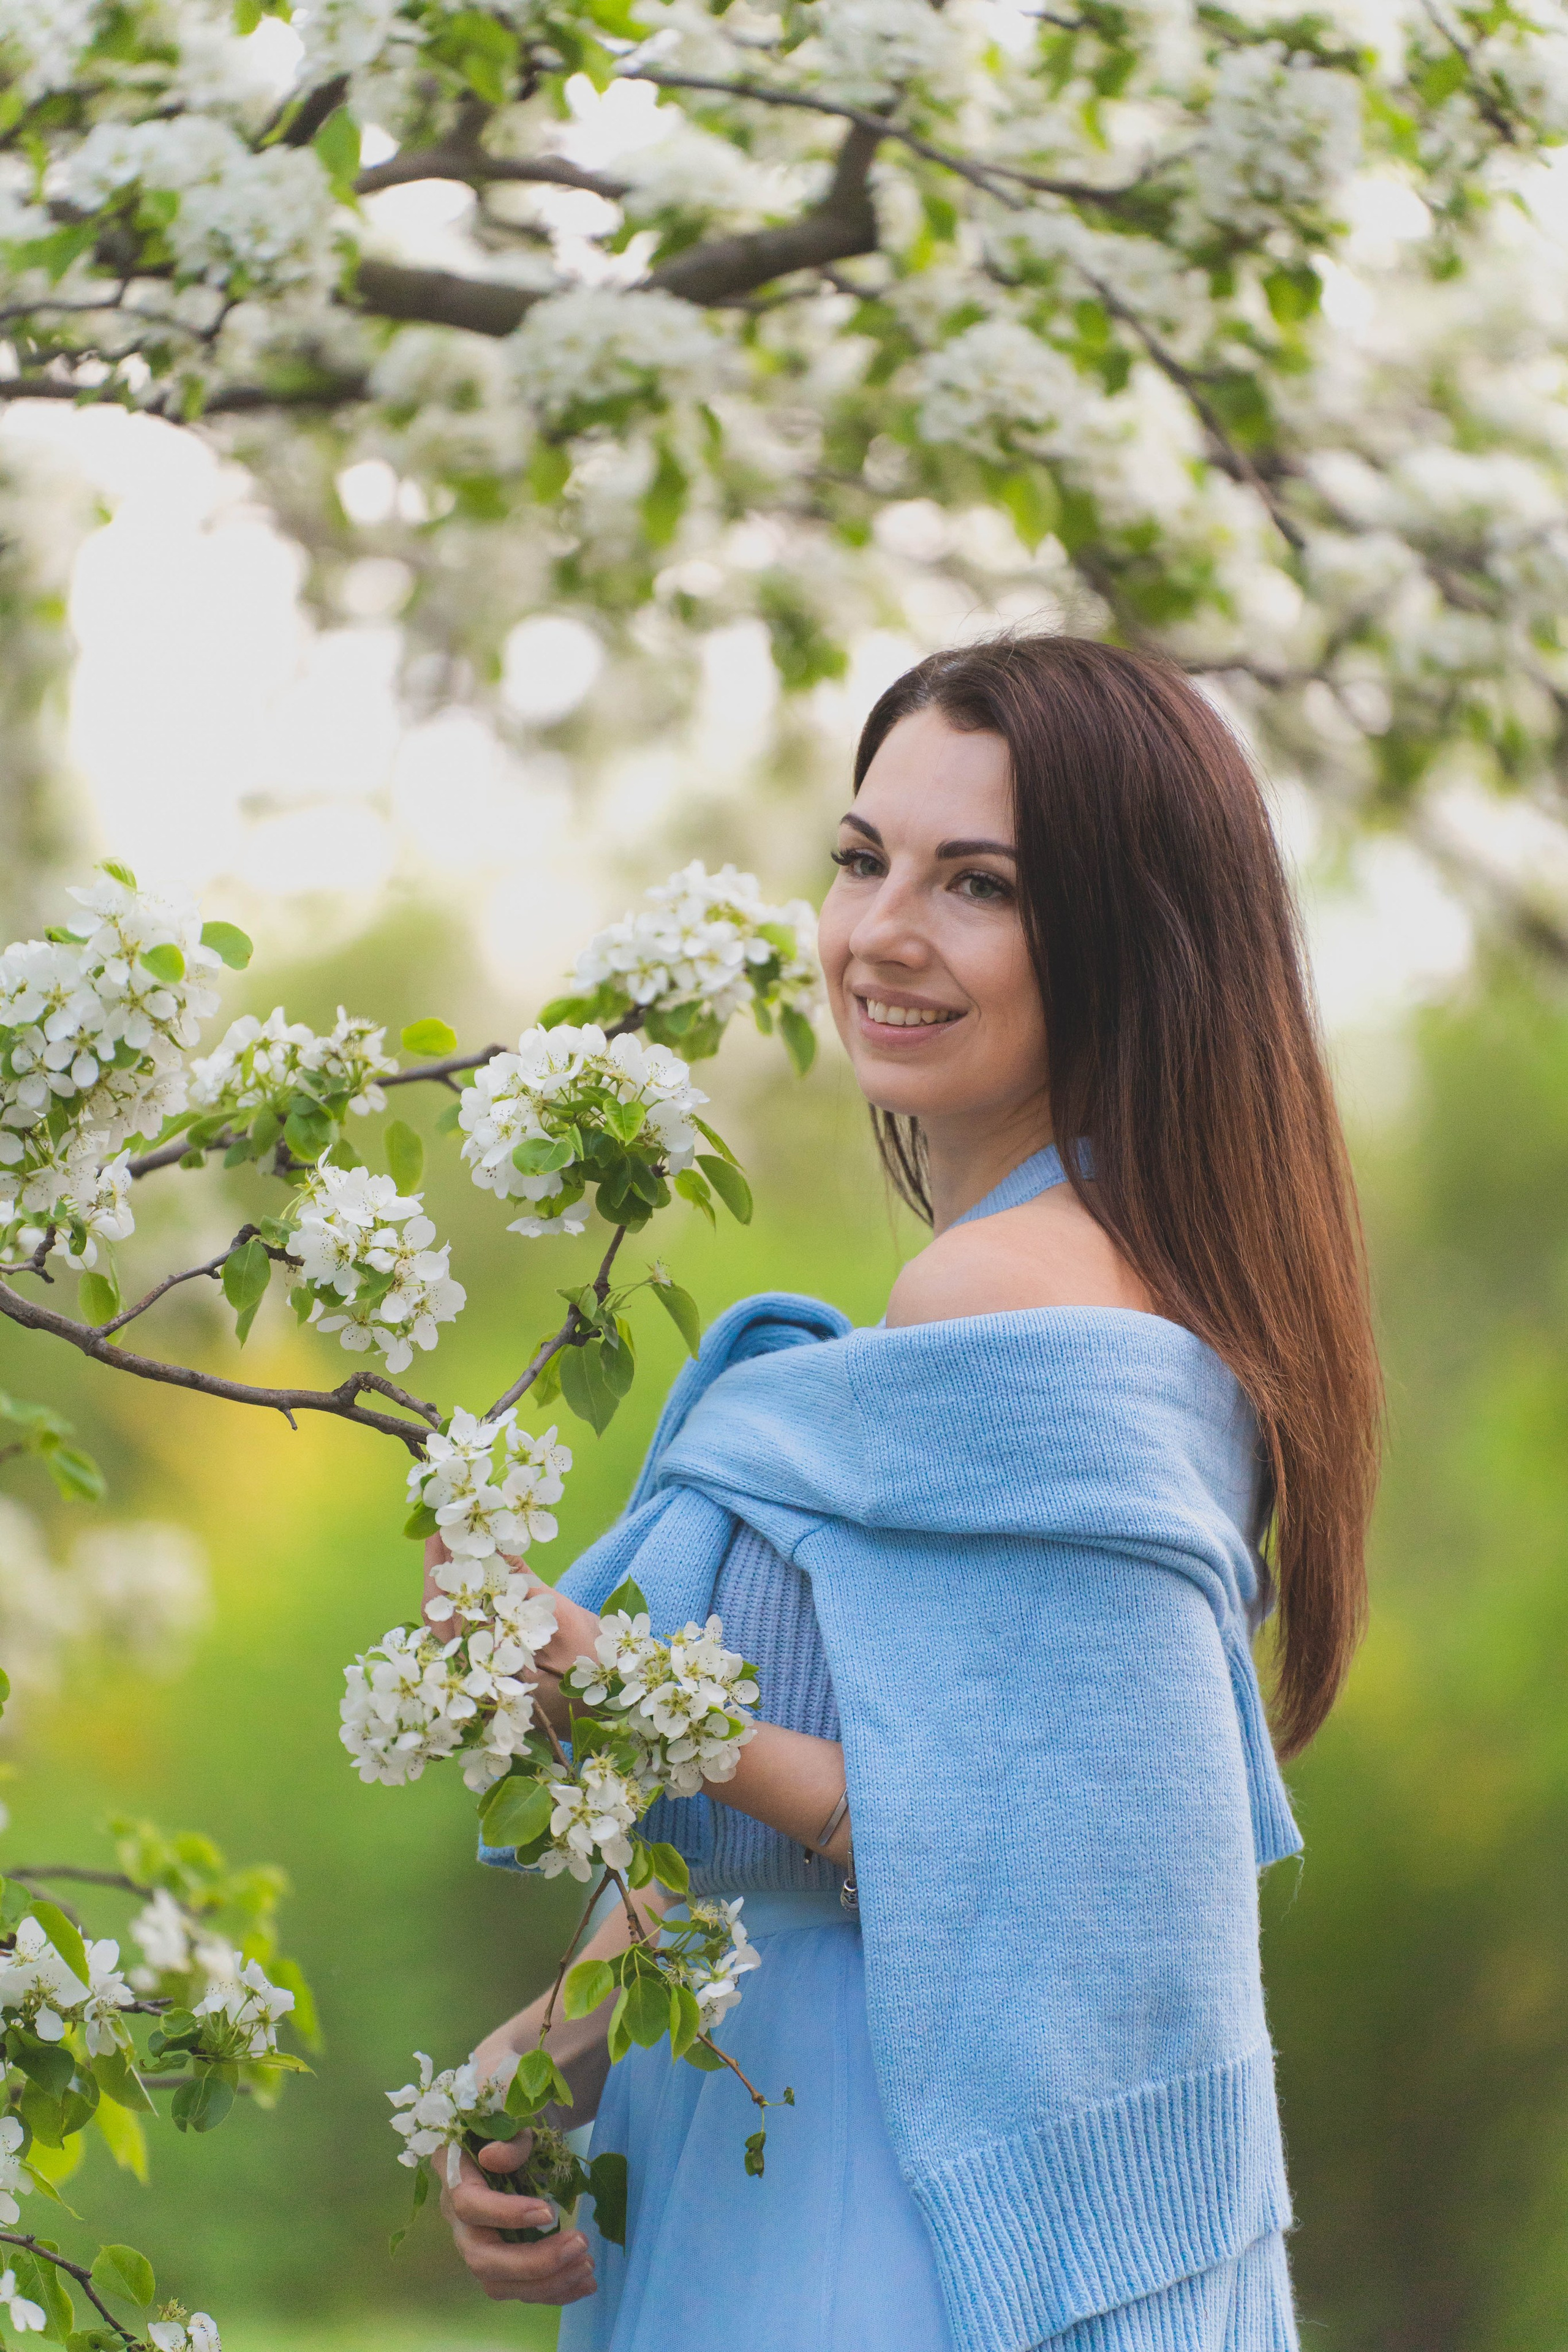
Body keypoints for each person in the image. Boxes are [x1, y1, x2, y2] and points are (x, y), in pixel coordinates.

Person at [435, 635, 1381, 2350]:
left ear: (1128, 939)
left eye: (982, 885)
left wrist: (634, 1694)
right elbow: (823, 1836)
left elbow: (1038, 1873)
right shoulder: (1069, 1280)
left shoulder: (1015, 1296)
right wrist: (546, 2049)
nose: (883, 931)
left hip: (870, 2204)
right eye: (865, 858)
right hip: (752, 2146)